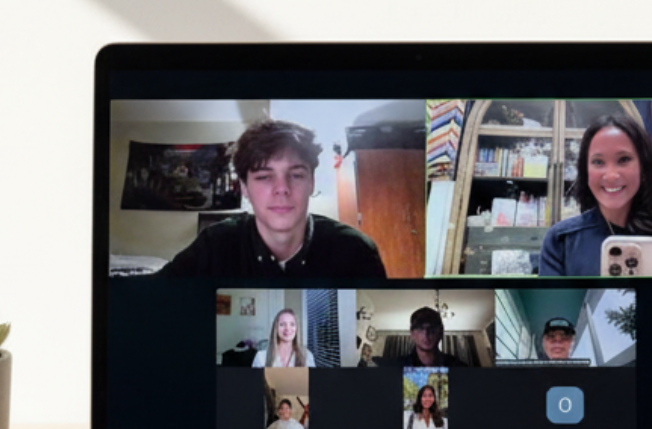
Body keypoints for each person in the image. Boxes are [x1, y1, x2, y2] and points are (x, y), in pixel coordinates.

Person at [162, 119, 388, 279]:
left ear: (312, 182)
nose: (282, 188)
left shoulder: (356, 251)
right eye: (264, 176)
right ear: (244, 189)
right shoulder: (214, 245)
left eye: (296, 175)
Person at [538, 113, 652, 277]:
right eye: (598, 162)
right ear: (585, 171)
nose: (611, 175)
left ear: (644, 166)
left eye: (623, 159)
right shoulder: (561, 240)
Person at [389, 306, 467, 367]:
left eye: (432, 328)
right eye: (420, 328)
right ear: (412, 333)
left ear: (441, 332)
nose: (426, 333)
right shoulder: (396, 367)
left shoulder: (457, 367)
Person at [251, 308, 316, 367]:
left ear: (297, 328)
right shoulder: (261, 357)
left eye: (292, 324)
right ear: (276, 328)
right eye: (282, 324)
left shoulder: (307, 356)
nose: (287, 328)